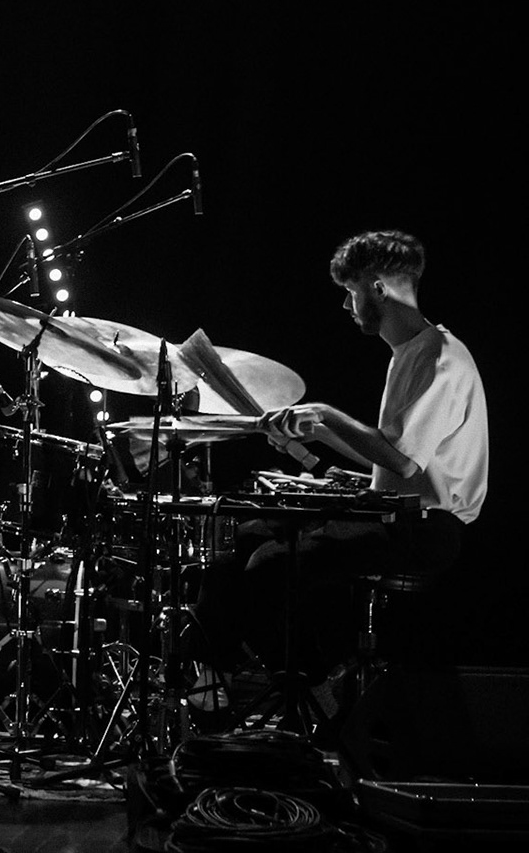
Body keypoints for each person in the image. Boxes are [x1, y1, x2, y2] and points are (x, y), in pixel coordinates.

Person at [193, 229, 489, 681]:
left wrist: (326, 414)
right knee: (245, 540)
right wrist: (315, 432)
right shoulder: (412, 351)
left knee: (270, 565)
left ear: (378, 288)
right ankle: (211, 685)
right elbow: (391, 454)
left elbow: (404, 461)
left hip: (426, 531)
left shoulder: (437, 356)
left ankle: (314, 690)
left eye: (350, 293)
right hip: (398, 519)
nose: (346, 305)